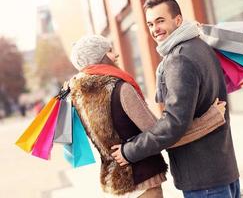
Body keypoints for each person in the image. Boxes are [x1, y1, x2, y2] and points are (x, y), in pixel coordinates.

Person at [68, 35, 227, 198]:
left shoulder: (78, 97)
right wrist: (211, 118)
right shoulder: (121, 89)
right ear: (101, 57)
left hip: (115, 185)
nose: (116, 54)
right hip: (142, 184)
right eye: (109, 50)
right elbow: (164, 135)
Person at [111, 0, 240, 197]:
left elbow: (174, 124)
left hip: (203, 179)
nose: (155, 29)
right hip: (222, 171)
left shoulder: (179, 59)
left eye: (160, 21)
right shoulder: (200, 46)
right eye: (150, 24)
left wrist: (129, 151)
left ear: (178, 20)